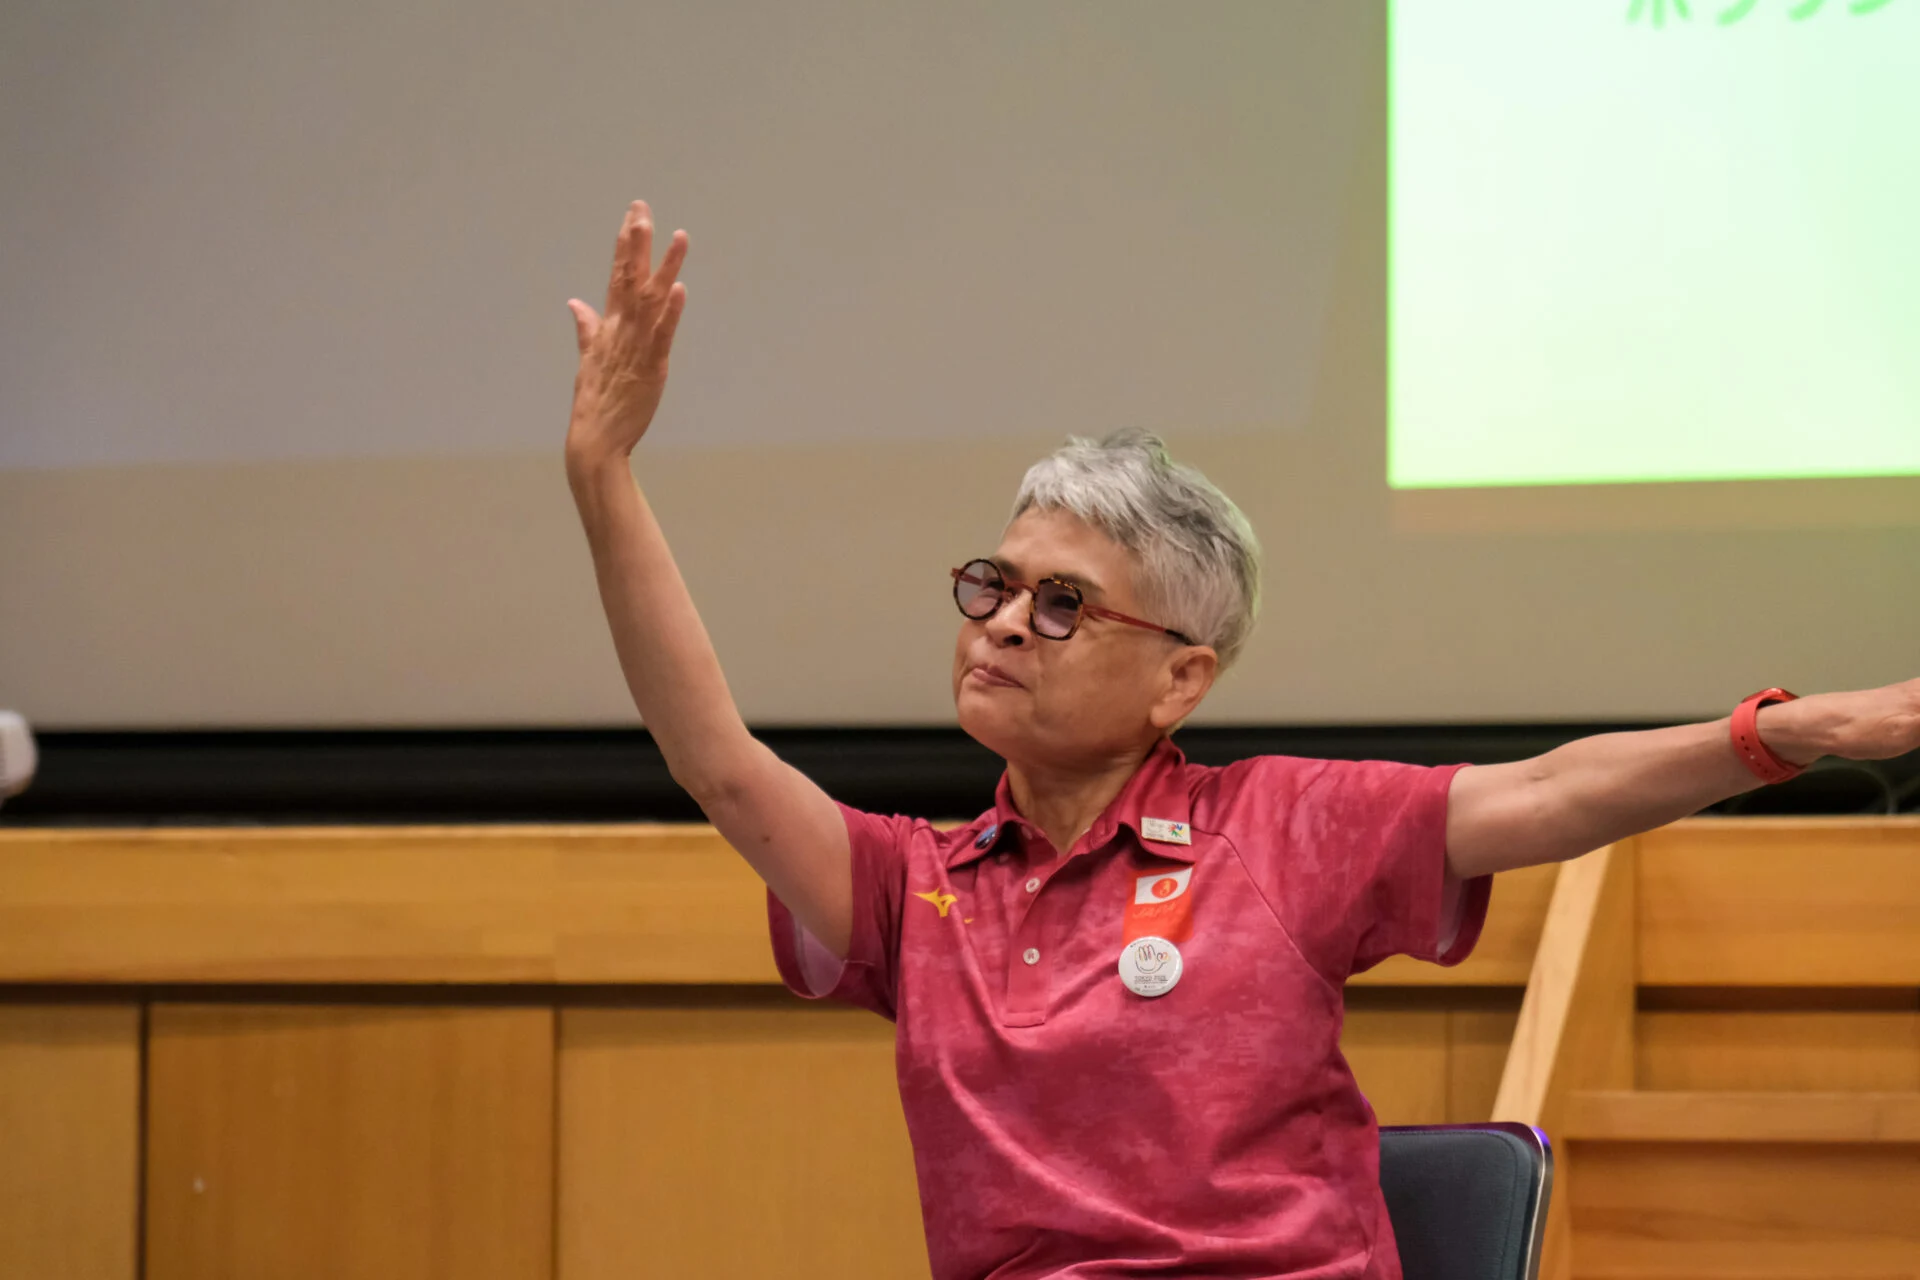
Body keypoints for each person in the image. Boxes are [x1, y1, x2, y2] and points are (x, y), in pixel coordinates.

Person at [563, 199, 1920, 1280]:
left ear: (1181, 679)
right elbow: (719, 762)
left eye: (1065, 603)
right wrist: (605, 476)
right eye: (995, 585)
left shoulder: (1277, 832)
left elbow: (1552, 791)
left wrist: (1795, 732)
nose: (1004, 625)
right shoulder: (912, 891)